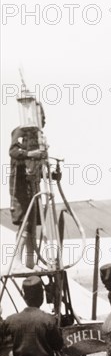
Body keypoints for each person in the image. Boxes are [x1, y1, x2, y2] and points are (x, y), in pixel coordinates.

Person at [9, 109, 47, 272]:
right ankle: (17, 261)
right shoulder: (20, 131)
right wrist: (32, 153)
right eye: (41, 117)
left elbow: (41, 160)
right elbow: (13, 151)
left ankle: (30, 262)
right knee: (25, 222)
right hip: (21, 185)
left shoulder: (38, 137)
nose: (44, 121)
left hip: (34, 185)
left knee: (32, 224)